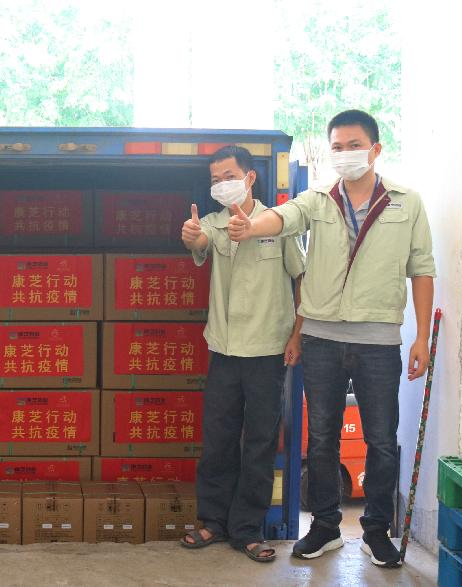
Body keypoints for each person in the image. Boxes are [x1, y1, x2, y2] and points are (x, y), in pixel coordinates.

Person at [227, 110, 435, 568]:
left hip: (379, 340)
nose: (344, 154)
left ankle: (376, 531)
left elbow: (422, 269)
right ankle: (324, 527)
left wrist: (421, 336)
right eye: (337, 147)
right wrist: (251, 226)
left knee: (381, 439)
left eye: (353, 145)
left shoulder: (406, 202)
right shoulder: (318, 199)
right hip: (321, 337)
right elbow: (283, 218)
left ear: (375, 149)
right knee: (321, 438)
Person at [179, 146, 305, 562]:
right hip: (224, 349)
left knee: (260, 442)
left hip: (268, 350)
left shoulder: (278, 223)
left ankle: (248, 529)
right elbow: (200, 239)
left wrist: (298, 335)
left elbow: (302, 278)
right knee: (218, 439)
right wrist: (192, 235)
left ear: (250, 178)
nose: (221, 185)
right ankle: (213, 521)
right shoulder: (212, 223)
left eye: (229, 176)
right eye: (215, 179)